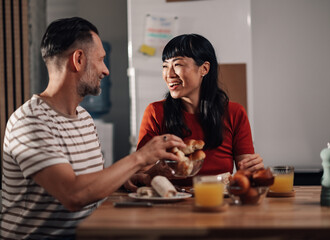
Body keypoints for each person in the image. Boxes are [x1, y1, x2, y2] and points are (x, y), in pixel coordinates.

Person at [1, 17, 185, 240]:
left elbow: (91, 184)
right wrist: (139, 158)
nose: (106, 71)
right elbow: (74, 195)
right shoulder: (30, 122)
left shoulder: (85, 119)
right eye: (101, 60)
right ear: (78, 60)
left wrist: (130, 177)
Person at [134, 33, 264, 187]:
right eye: (165, 66)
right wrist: (157, 170)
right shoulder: (155, 112)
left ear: (204, 69)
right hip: (170, 204)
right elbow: (139, 173)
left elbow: (246, 172)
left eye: (177, 64)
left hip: (218, 203)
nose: (168, 74)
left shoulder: (234, 112)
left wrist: (254, 170)